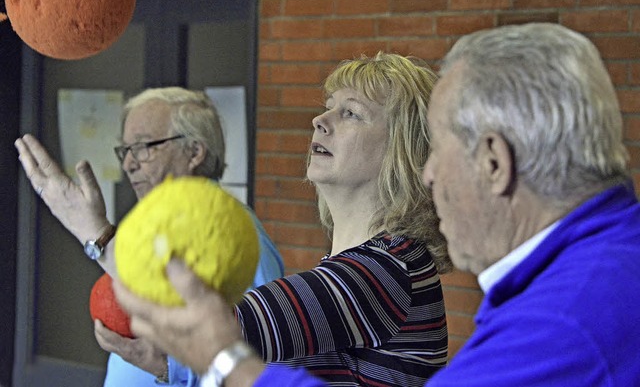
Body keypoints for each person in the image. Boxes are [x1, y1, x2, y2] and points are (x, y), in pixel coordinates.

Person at [118, 22, 640, 387]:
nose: (433, 174)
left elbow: (227, 327)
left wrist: (220, 356)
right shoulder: (590, 272)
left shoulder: (563, 316)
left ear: (494, 163)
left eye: (442, 151)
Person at [117, 52, 453, 387]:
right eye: (329, 105)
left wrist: (91, 232)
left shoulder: (386, 270)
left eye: (351, 112)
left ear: (402, 146)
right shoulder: (376, 264)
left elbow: (216, 328)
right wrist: (168, 364)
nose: (320, 120)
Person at [14, 87, 285, 386]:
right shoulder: (154, 228)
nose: (129, 163)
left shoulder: (234, 233)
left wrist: (94, 232)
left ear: (194, 152)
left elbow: (258, 362)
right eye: (125, 150)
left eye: (143, 147)